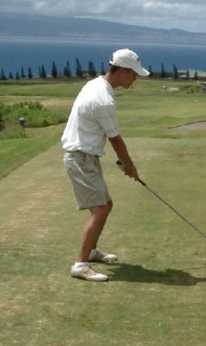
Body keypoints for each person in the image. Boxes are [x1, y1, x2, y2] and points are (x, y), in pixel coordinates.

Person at [61, 48, 149, 281]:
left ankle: (90, 251)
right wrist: (130, 165)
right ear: (122, 71)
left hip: (86, 155)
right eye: (134, 74)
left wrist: (125, 163)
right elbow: (115, 139)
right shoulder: (103, 99)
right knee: (100, 210)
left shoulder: (96, 84)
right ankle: (80, 265)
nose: (136, 79)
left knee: (104, 205)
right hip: (80, 157)